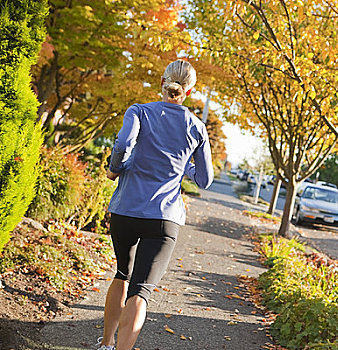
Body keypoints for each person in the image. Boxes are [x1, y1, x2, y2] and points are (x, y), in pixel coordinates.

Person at [96, 60, 213, 350]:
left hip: (125, 209)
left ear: (162, 82)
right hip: (164, 218)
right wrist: (183, 166)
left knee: (122, 273)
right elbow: (204, 180)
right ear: (190, 90)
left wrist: (115, 168)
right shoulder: (197, 127)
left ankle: (106, 344)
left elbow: (123, 144)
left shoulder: (139, 111)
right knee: (140, 292)